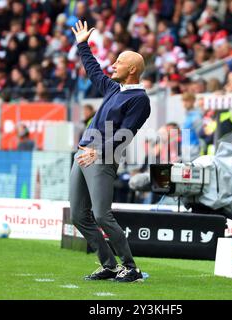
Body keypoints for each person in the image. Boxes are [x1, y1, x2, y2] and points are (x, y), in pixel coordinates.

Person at [69, 21, 151, 282]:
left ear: (132, 70)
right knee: (79, 216)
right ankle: (110, 265)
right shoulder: (115, 88)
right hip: (83, 154)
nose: (113, 65)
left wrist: (99, 152)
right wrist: (83, 44)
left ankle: (131, 268)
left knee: (102, 215)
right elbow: (93, 71)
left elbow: (126, 134)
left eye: (119, 62)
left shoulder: (140, 100)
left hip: (102, 157)